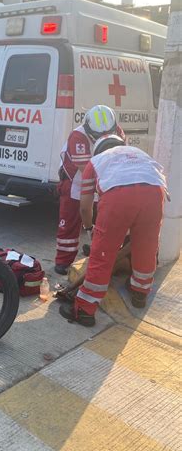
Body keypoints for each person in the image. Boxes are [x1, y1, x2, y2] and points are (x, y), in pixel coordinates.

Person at [59, 135, 167, 327]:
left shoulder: (96, 162)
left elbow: (85, 207)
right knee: (146, 246)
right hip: (154, 193)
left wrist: (89, 228)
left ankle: (84, 310)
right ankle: (140, 292)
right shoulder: (139, 154)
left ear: (99, 149)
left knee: (103, 254)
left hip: (118, 199)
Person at [54, 105, 124, 275]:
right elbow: (84, 168)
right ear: (88, 128)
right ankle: (63, 260)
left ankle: (96, 249)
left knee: (102, 221)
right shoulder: (78, 136)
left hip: (102, 180)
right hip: (75, 182)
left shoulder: (117, 131)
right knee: (69, 223)